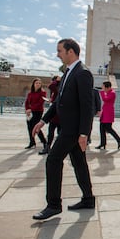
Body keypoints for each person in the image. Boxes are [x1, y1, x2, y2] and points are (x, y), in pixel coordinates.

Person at [31, 38, 95, 220]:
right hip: (68, 128)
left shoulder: (82, 73)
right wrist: (44, 120)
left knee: (53, 160)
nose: (57, 54)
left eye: (60, 51)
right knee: (79, 163)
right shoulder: (68, 73)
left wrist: (84, 133)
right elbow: (59, 101)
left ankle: (53, 205)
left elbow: (86, 106)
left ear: (70, 52)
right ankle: (88, 199)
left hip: (72, 130)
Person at [96, 81, 120, 149]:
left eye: (104, 87)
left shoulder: (112, 93)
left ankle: (119, 140)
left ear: (107, 87)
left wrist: (101, 92)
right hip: (105, 112)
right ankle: (103, 143)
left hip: (109, 113)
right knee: (102, 128)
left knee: (109, 128)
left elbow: (105, 99)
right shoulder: (108, 93)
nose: (103, 88)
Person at [39, 76, 62, 155]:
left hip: (57, 115)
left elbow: (51, 86)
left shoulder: (58, 88)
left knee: (58, 132)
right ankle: (48, 147)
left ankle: (56, 148)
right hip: (54, 116)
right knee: (51, 132)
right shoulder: (56, 90)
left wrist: (56, 81)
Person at [24, 78, 47, 151]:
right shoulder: (30, 93)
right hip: (30, 113)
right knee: (29, 127)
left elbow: (40, 103)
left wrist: (31, 109)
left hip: (38, 112)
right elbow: (27, 102)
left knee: (36, 127)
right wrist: (27, 109)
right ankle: (32, 142)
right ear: (33, 84)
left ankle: (44, 142)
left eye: (39, 83)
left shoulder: (43, 93)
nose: (38, 84)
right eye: (36, 83)